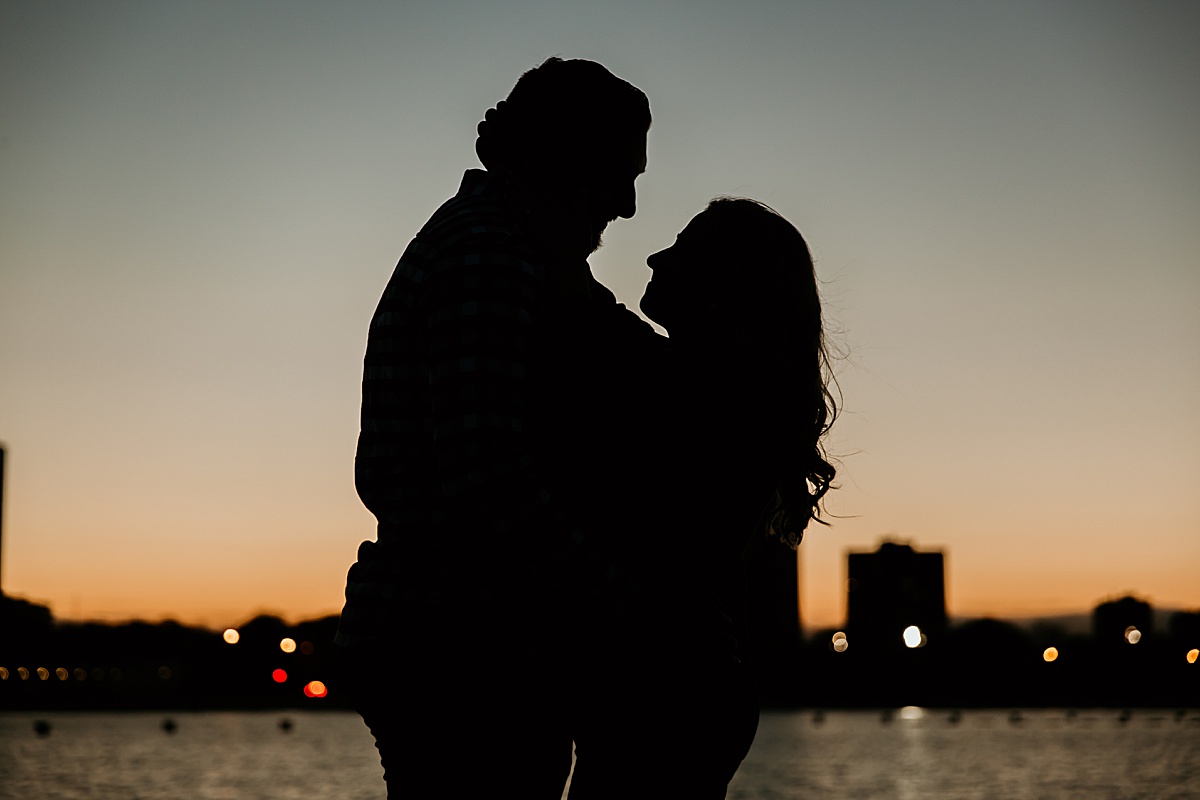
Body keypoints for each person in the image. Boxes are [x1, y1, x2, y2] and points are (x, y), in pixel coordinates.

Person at [335, 58, 659, 799]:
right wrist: (629, 609)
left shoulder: (507, 249)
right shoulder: (490, 257)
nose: (629, 205)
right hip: (462, 648)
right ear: (562, 158)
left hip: (455, 643)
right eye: (620, 171)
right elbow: (489, 478)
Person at [562, 198, 838, 799]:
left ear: (724, 282)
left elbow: (585, 309)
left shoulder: (700, 395)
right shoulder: (702, 382)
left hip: (672, 688)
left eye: (681, 250)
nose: (656, 256)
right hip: (684, 682)